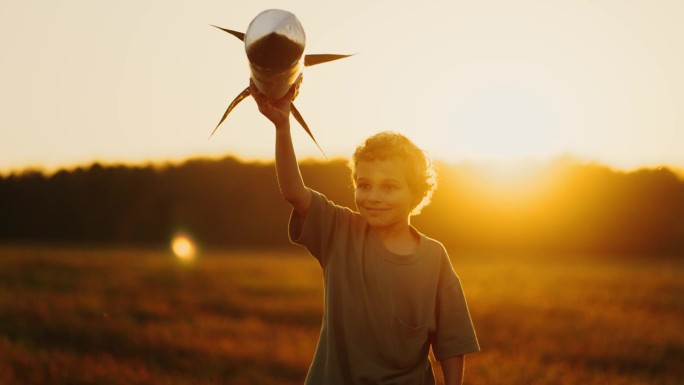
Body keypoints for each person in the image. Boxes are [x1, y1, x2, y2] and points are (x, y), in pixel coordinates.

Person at [250, 78, 480, 385]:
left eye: (389, 187)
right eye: (364, 185)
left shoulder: (434, 258)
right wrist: (282, 127)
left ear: (416, 194)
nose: (373, 196)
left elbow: (451, 342)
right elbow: (294, 191)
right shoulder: (339, 231)